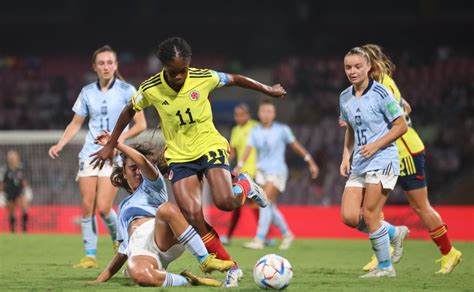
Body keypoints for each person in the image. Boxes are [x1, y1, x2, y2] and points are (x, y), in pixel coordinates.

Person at [90, 37, 286, 287]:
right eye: (174, 72)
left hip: (209, 146)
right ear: (164, 67)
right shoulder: (150, 88)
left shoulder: (203, 77)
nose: (180, 76)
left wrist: (267, 89)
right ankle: (231, 268)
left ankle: (245, 184)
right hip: (180, 157)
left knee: (225, 202)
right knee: (193, 216)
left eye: (183, 70)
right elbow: (129, 109)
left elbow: (235, 78)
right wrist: (110, 143)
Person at [359, 44, 462, 274]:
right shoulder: (379, 84)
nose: (357, 68)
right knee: (372, 207)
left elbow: (394, 120)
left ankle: (449, 252)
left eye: (361, 63)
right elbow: (403, 105)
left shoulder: (382, 85)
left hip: (404, 152)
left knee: (419, 206)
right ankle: (382, 254)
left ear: (371, 64)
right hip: (386, 153)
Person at [92, 131, 234, 287]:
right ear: (124, 173)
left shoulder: (153, 184)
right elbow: (122, 252)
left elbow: (143, 162)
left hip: (162, 235)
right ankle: (187, 281)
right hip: (141, 250)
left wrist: (115, 144)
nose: (138, 172)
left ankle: (204, 259)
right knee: (139, 275)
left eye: (139, 168)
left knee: (166, 209)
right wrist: (101, 278)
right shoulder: (123, 206)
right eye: (133, 169)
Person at [48, 45, 147, 268]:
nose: (106, 67)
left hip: (113, 156)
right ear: (94, 67)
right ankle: (90, 256)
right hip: (89, 155)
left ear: (116, 65)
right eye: (101, 63)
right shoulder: (87, 92)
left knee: (103, 207)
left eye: (110, 62)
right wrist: (60, 144)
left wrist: (115, 142)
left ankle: (118, 240)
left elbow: (141, 124)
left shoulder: (127, 90)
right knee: (87, 206)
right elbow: (75, 124)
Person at [339, 46, 408, 278]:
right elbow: (349, 127)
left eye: (358, 66)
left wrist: (377, 145)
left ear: (368, 67)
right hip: (359, 161)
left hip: (383, 158)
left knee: (370, 214)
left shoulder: (381, 94)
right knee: (349, 216)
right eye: (348, 67)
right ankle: (393, 233)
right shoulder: (344, 96)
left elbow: (401, 125)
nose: (353, 71)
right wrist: (346, 155)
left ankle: (386, 267)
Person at [236, 99, 320, 250]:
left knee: (265, 202)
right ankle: (287, 234)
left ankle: (259, 239)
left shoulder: (282, 129)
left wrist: (310, 160)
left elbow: (295, 146)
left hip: (277, 171)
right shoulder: (255, 131)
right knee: (269, 206)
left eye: (269, 111)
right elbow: (248, 149)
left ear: (274, 114)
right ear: (259, 114)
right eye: (263, 111)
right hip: (261, 171)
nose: (266, 114)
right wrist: (239, 166)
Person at [220, 103, 259, 245]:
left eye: (241, 114)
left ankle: (264, 235)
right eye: (236, 115)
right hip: (243, 172)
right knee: (239, 204)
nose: (238, 117)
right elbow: (233, 152)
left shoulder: (256, 127)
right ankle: (229, 236)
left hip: (256, 170)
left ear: (248, 115)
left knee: (256, 203)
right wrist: (223, 164)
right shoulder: (235, 130)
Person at [0, 150, 31, 233]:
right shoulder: (4, 170)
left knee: (24, 208)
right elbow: (1, 184)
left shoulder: (21, 169)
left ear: (17, 158)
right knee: (11, 211)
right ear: (8, 159)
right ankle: (12, 230)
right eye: (10, 158)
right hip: (9, 193)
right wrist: (1, 194)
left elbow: (24, 182)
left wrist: (27, 190)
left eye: (14, 158)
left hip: (19, 192)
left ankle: (24, 229)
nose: (12, 159)